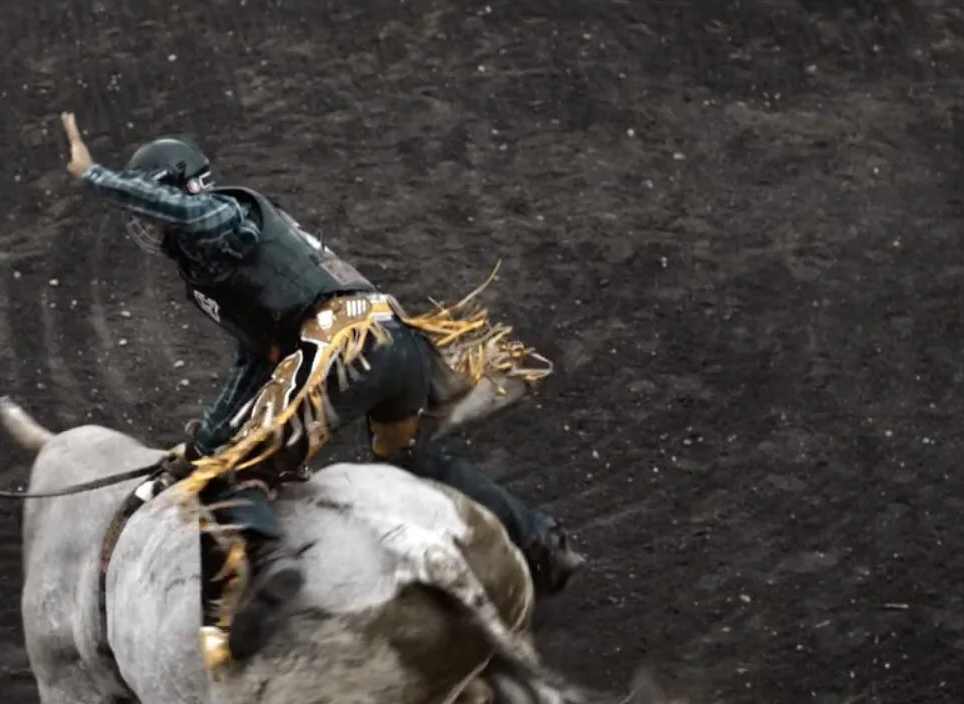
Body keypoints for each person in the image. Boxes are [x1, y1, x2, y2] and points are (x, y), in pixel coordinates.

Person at [56, 112, 584, 667]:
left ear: (186, 189)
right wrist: (204, 441)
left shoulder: (223, 216)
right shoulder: (218, 258)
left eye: (153, 209)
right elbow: (254, 363)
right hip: (394, 346)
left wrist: (95, 175)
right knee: (408, 459)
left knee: (233, 471)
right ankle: (540, 540)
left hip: (344, 349)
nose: (150, 227)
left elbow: (184, 212)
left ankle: (268, 564)